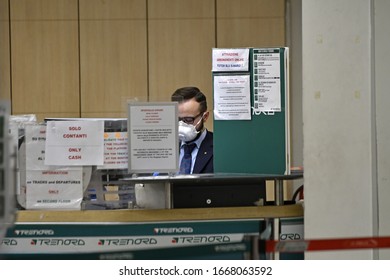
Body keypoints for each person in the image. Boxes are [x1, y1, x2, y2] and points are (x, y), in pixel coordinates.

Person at [171, 86, 213, 174]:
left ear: (205, 117)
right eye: (178, 119)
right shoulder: (165, 148)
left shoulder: (219, 148)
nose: (182, 125)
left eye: (189, 120)